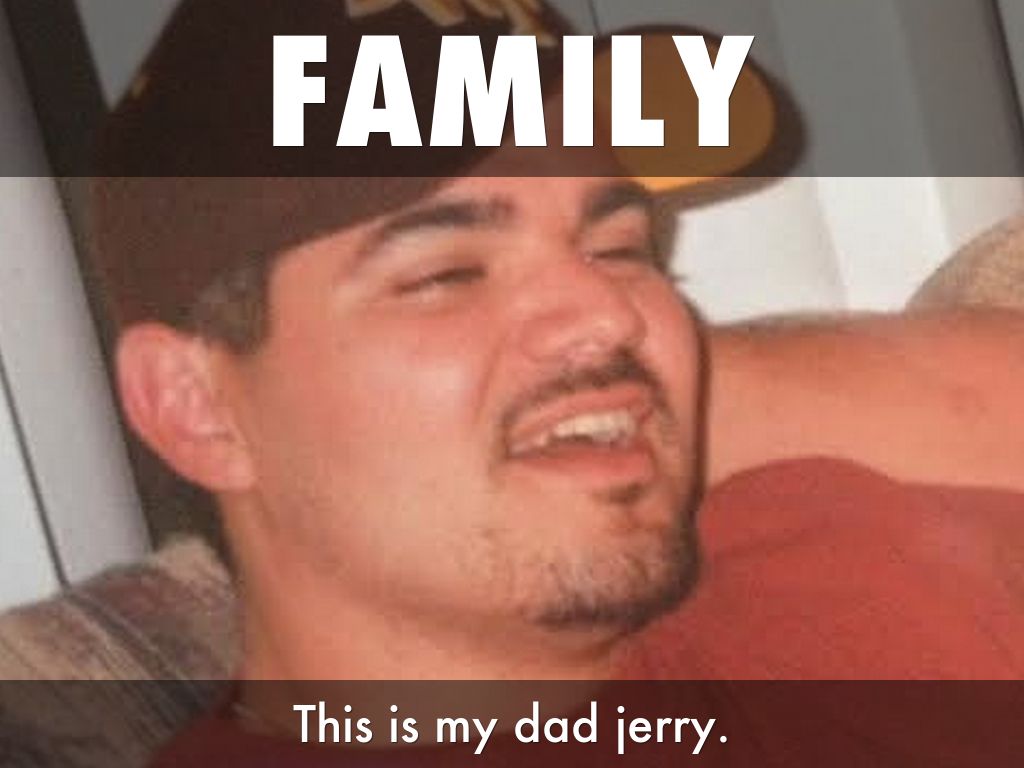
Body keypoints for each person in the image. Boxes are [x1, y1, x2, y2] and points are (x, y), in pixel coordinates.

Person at [82, 0, 1024, 764]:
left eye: (619, 247)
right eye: (447, 274)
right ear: (195, 408)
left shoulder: (816, 563)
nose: (612, 315)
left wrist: (594, 405)